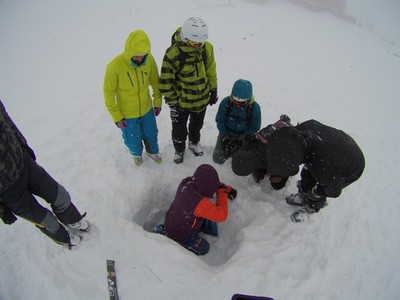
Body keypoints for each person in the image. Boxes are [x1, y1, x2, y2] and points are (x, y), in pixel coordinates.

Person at [232, 117, 365, 222]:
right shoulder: (302, 130)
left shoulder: (322, 167)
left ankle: (312, 206)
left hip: (351, 166)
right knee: (307, 173)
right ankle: (303, 193)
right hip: (333, 145)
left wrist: (317, 192)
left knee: (319, 188)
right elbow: (286, 132)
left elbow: (334, 190)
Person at [0, 99, 90, 248]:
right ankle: (64, 238)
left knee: (60, 196)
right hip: (8, 191)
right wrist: (2, 210)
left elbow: (7, 121)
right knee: (46, 220)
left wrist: (23, 144)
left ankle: (73, 219)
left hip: (23, 163)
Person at [159, 17, 218, 164]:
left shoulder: (207, 48)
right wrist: (173, 103)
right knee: (179, 130)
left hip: (201, 100)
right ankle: (179, 150)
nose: (197, 46)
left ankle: (193, 142)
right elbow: (166, 82)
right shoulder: (173, 54)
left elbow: (211, 70)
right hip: (181, 103)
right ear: (185, 37)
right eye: (193, 42)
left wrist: (213, 89)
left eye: (200, 43)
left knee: (196, 126)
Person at [104, 29, 162, 166]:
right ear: (129, 52)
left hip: (146, 108)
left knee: (151, 132)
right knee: (133, 138)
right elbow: (108, 93)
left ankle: (152, 151)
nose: (140, 59)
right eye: (136, 56)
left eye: (143, 56)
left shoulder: (149, 60)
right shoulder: (114, 66)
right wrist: (117, 116)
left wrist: (158, 101)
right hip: (127, 113)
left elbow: (155, 82)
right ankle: (136, 154)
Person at [154, 164, 237, 255]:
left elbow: (207, 182)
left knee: (201, 215)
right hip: (183, 233)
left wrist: (226, 188)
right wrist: (222, 192)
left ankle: (166, 229)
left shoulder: (186, 182)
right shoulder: (200, 203)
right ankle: (178, 240)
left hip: (172, 220)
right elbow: (221, 216)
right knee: (205, 248)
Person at [212, 79, 261, 164]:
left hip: (243, 136)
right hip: (226, 132)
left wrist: (242, 138)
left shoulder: (254, 108)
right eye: (235, 100)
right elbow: (220, 120)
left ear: (248, 100)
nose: (237, 104)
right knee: (217, 158)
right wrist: (224, 135)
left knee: (238, 160)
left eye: (241, 102)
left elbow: (255, 127)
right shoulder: (226, 102)